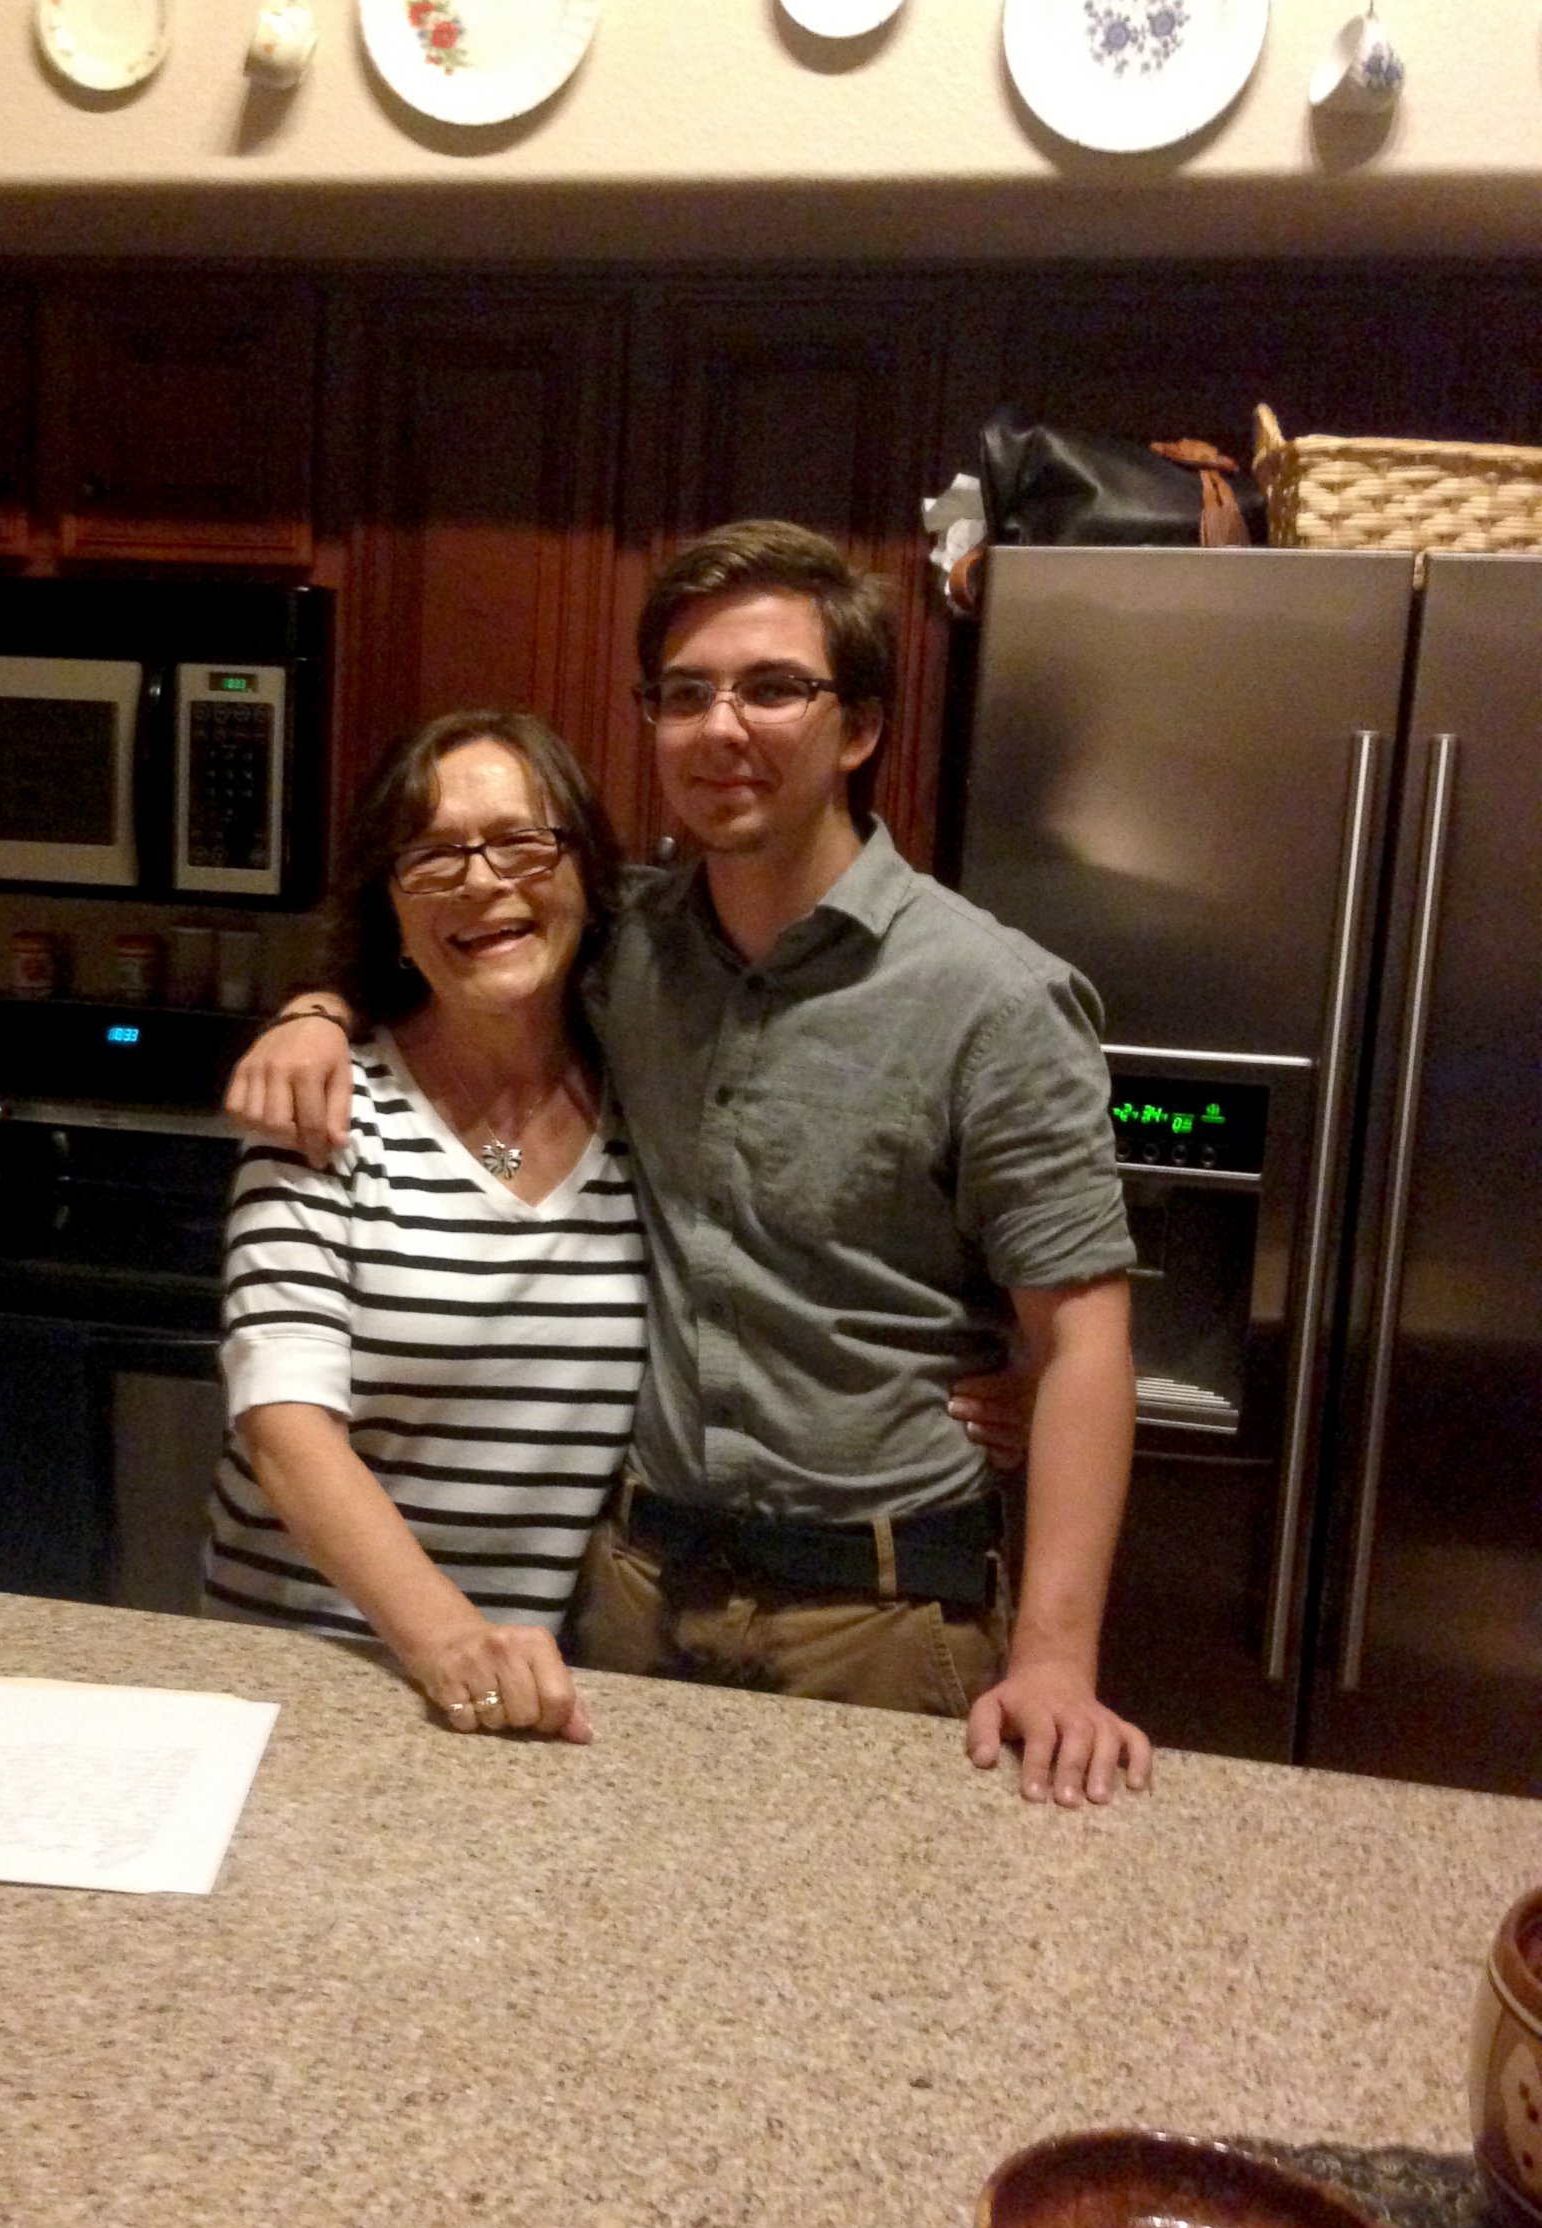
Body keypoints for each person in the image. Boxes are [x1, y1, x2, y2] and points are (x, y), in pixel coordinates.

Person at [228, 522, 1150, 1808]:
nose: (722, 727)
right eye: (685, 693)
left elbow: (1089, 1343)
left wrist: (1057, 1661)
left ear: (863, 727)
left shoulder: (992, 999)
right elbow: (461, 924)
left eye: (775, 687)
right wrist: (319, 1006)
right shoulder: (623, 949)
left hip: (878, 1623)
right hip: (633, 1600)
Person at [204, 708, 642, 1744]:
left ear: (584, 868)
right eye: (434, 857)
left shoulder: (646, 1103)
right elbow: (284, 1429)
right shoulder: (323, 1110)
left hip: (536, 1693)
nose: (485, 881)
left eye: (521, 841)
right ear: (392, 914)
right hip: (316, 1672)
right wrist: (454, 1644)